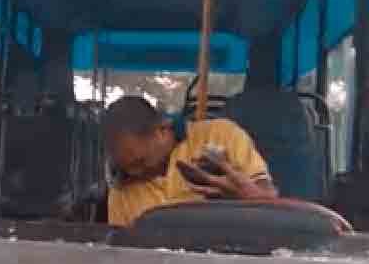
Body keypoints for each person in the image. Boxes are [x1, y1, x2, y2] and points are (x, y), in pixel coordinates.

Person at [104, 96, 276, 227]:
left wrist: (246, 197)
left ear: (162, 129)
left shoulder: (221, 135)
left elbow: (271, 202)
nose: (134, 173)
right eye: (126, 168)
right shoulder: (120, 190)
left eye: (140, 162)